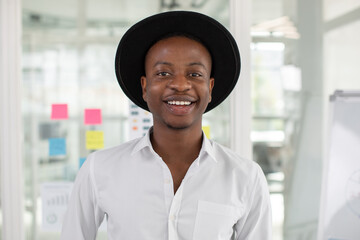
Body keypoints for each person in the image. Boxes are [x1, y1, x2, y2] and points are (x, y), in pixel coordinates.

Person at [61, 11, 272, 240]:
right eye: (163, 73)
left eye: (194, 74)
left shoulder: (245, 177)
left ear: (210, 88)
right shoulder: (100, 169)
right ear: (144, 86)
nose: (180, 85)